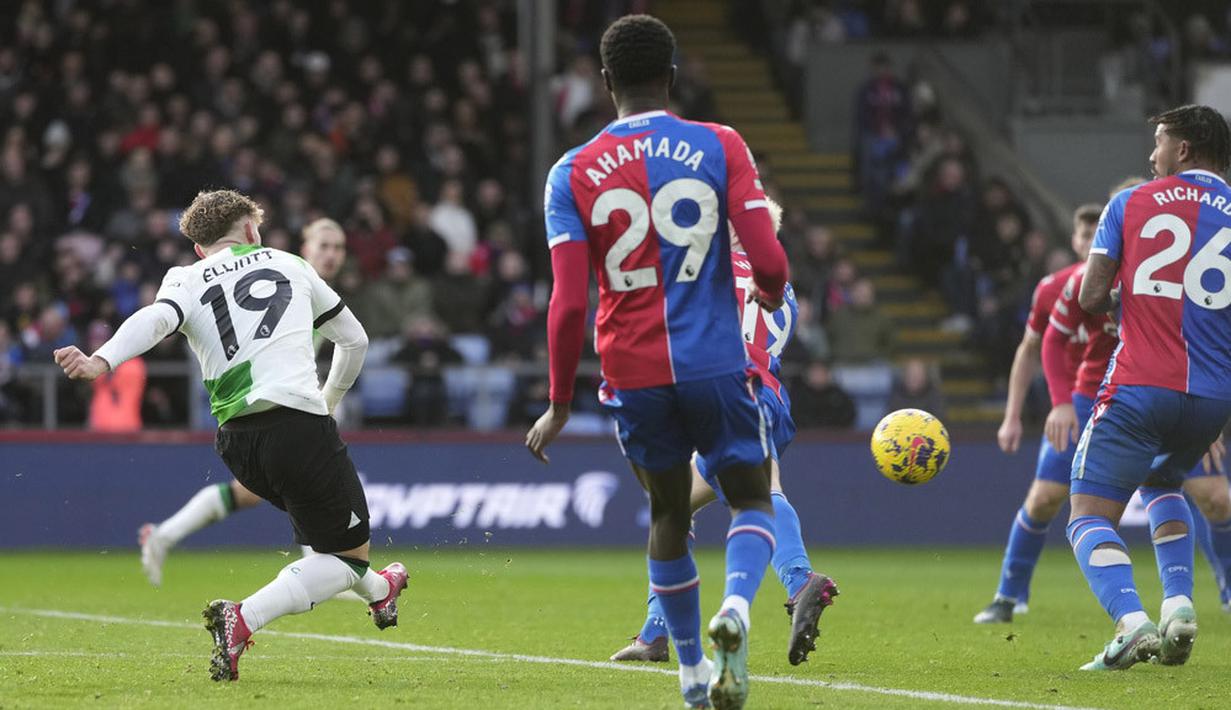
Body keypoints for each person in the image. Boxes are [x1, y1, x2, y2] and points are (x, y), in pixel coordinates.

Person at [523, 15, 789, 709]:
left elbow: (568, 305)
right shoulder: (719, 143)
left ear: (603, 81)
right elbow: (768, 261)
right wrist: (770, 290)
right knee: (752, 498)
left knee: (667, 514)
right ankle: (734, 606)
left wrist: (557, 401)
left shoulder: (569, 172)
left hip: (631, 373)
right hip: (714, 365)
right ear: (672, 74)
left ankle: (693, 676)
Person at [55, 192, 407, 680]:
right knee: (346, 560)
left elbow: (155, 321)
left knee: (331, 548)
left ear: (201, 248)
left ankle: (383, 590)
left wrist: (101, 360)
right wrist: (326, 404)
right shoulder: (291, 264)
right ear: (250, 229)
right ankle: (242, 617)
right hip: (298, 427)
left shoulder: (184, 278)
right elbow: (356, 340)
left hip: (237, 443)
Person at [611, 199, 839, 668]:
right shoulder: (787, 290)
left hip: (718, 388)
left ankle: (796, 583)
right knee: (705, 500)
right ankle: (656, 633)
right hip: (769, 396)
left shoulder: (704, 265)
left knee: (693, 505)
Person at [1066, 104, 1231, 670]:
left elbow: (1090, 297)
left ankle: (1132, 622)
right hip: (1211, 399)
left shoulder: (1131, 202)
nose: (1152, 154)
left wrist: (1131, 296)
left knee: (1087, 513)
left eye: (1159, 142)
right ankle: (1180, 606)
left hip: (1138, 386)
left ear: (1183, 150)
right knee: (1165, 479)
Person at [136, 218, 352, 586]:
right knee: (303, 471)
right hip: (248, 397)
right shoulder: (284, 276)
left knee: (252, 491)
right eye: (324, 246)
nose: (331, 254)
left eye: (339, 248)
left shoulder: (306, 284)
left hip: (275, 400)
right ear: (306, 247)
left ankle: (163, 535)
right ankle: (321, 567)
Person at [975, 204, 1100, 623]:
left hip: (1137, 395)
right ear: (1075, 240)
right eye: (1084, 235)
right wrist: (1012, 415)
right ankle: (1008, 596)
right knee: (1045, 497)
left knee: (1213, 496)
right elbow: (1030, 349)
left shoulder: (1137, 285)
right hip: (1078, 401)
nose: (1089, 242)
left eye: (1098, 233)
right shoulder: (1053, 289)